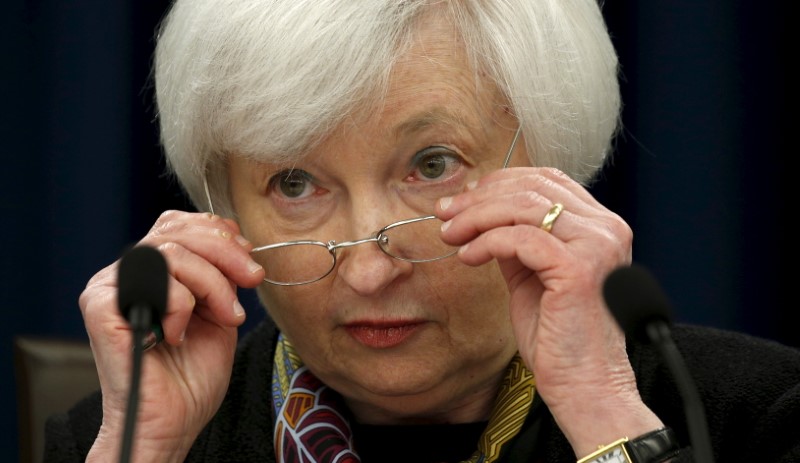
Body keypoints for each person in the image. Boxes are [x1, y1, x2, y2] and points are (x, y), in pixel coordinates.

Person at [44, 0, 800, 462]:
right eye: (295, 183)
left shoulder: (759, 416)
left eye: (432, 164)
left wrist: (605, 414)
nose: (369, 273)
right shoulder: (116, 440)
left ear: (552, 159)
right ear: (223, 211)